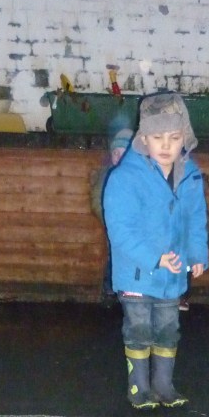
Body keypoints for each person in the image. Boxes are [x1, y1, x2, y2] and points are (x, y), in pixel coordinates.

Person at [103, 91, 209, 409]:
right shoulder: (124, 179)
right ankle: (139, 388)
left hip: (172, 274)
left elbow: (195, 217)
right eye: (157, 137)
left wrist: (197, 253)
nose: (166, 145)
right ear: (143, 139)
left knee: (167, 329)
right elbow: (120, 230)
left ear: (184, 139)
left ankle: (164, 386)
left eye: (174, 137)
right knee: (138, 329)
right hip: (137, 273)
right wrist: (154, 258)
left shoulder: (189, 174)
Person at [89, 126, 133, 306]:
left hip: (132, 227)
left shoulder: (137, 176)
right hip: (114, 225)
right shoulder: (106, 175)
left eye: (123, 153)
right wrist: (110, 221)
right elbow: (97, 201)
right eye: (116, 153)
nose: (119, 157)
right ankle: (110, 289)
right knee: (115, 256)